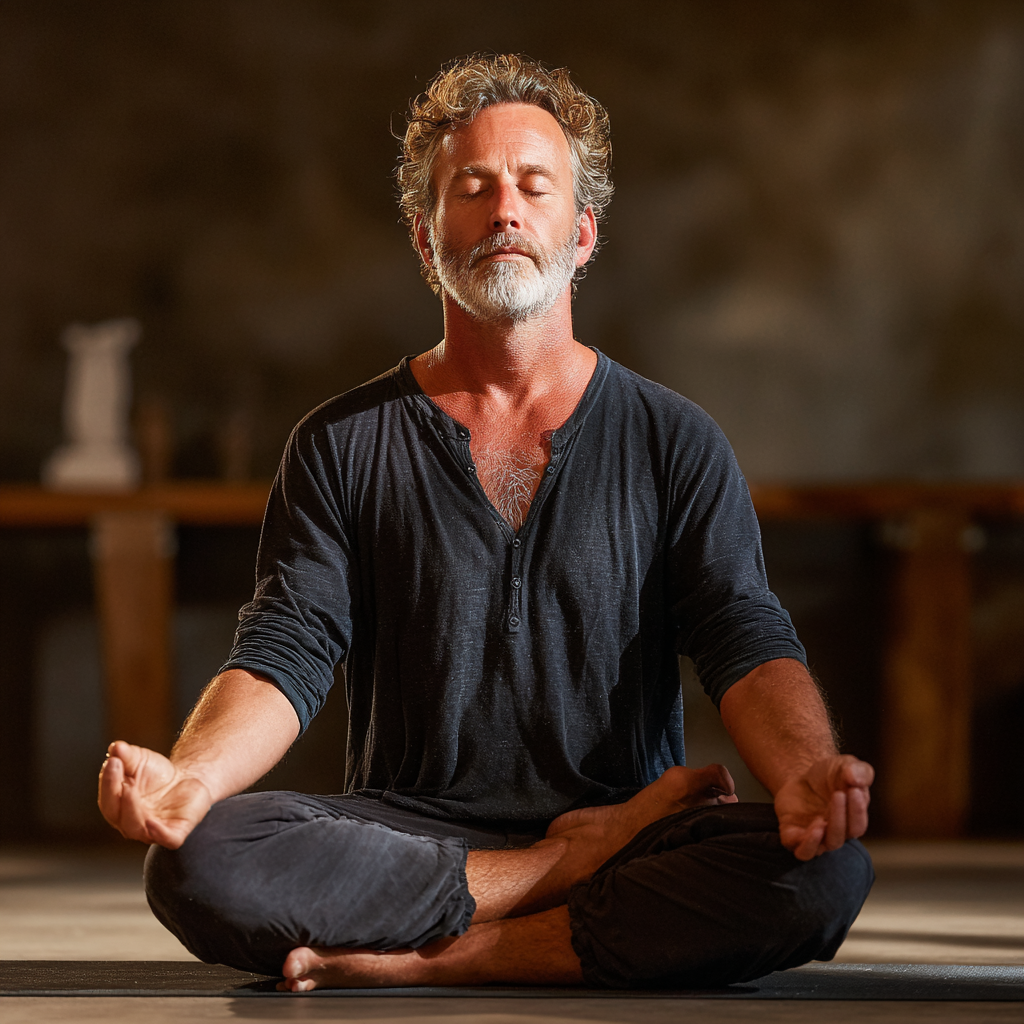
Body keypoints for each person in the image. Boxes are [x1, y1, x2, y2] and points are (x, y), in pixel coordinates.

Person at [99, 54, 875, 992]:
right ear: (428, 243)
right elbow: (286, 648)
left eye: (533, 187)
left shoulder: (676, 440)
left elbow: (744, 636)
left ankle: (454, 954)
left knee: (828, 869)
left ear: (581, 234)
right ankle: (562, 876)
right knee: (199, 862)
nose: (505, 209)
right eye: (472, 188)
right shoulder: (340, 444)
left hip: (630, 829)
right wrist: (194, 781)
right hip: (407, 832)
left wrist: (804, 774)